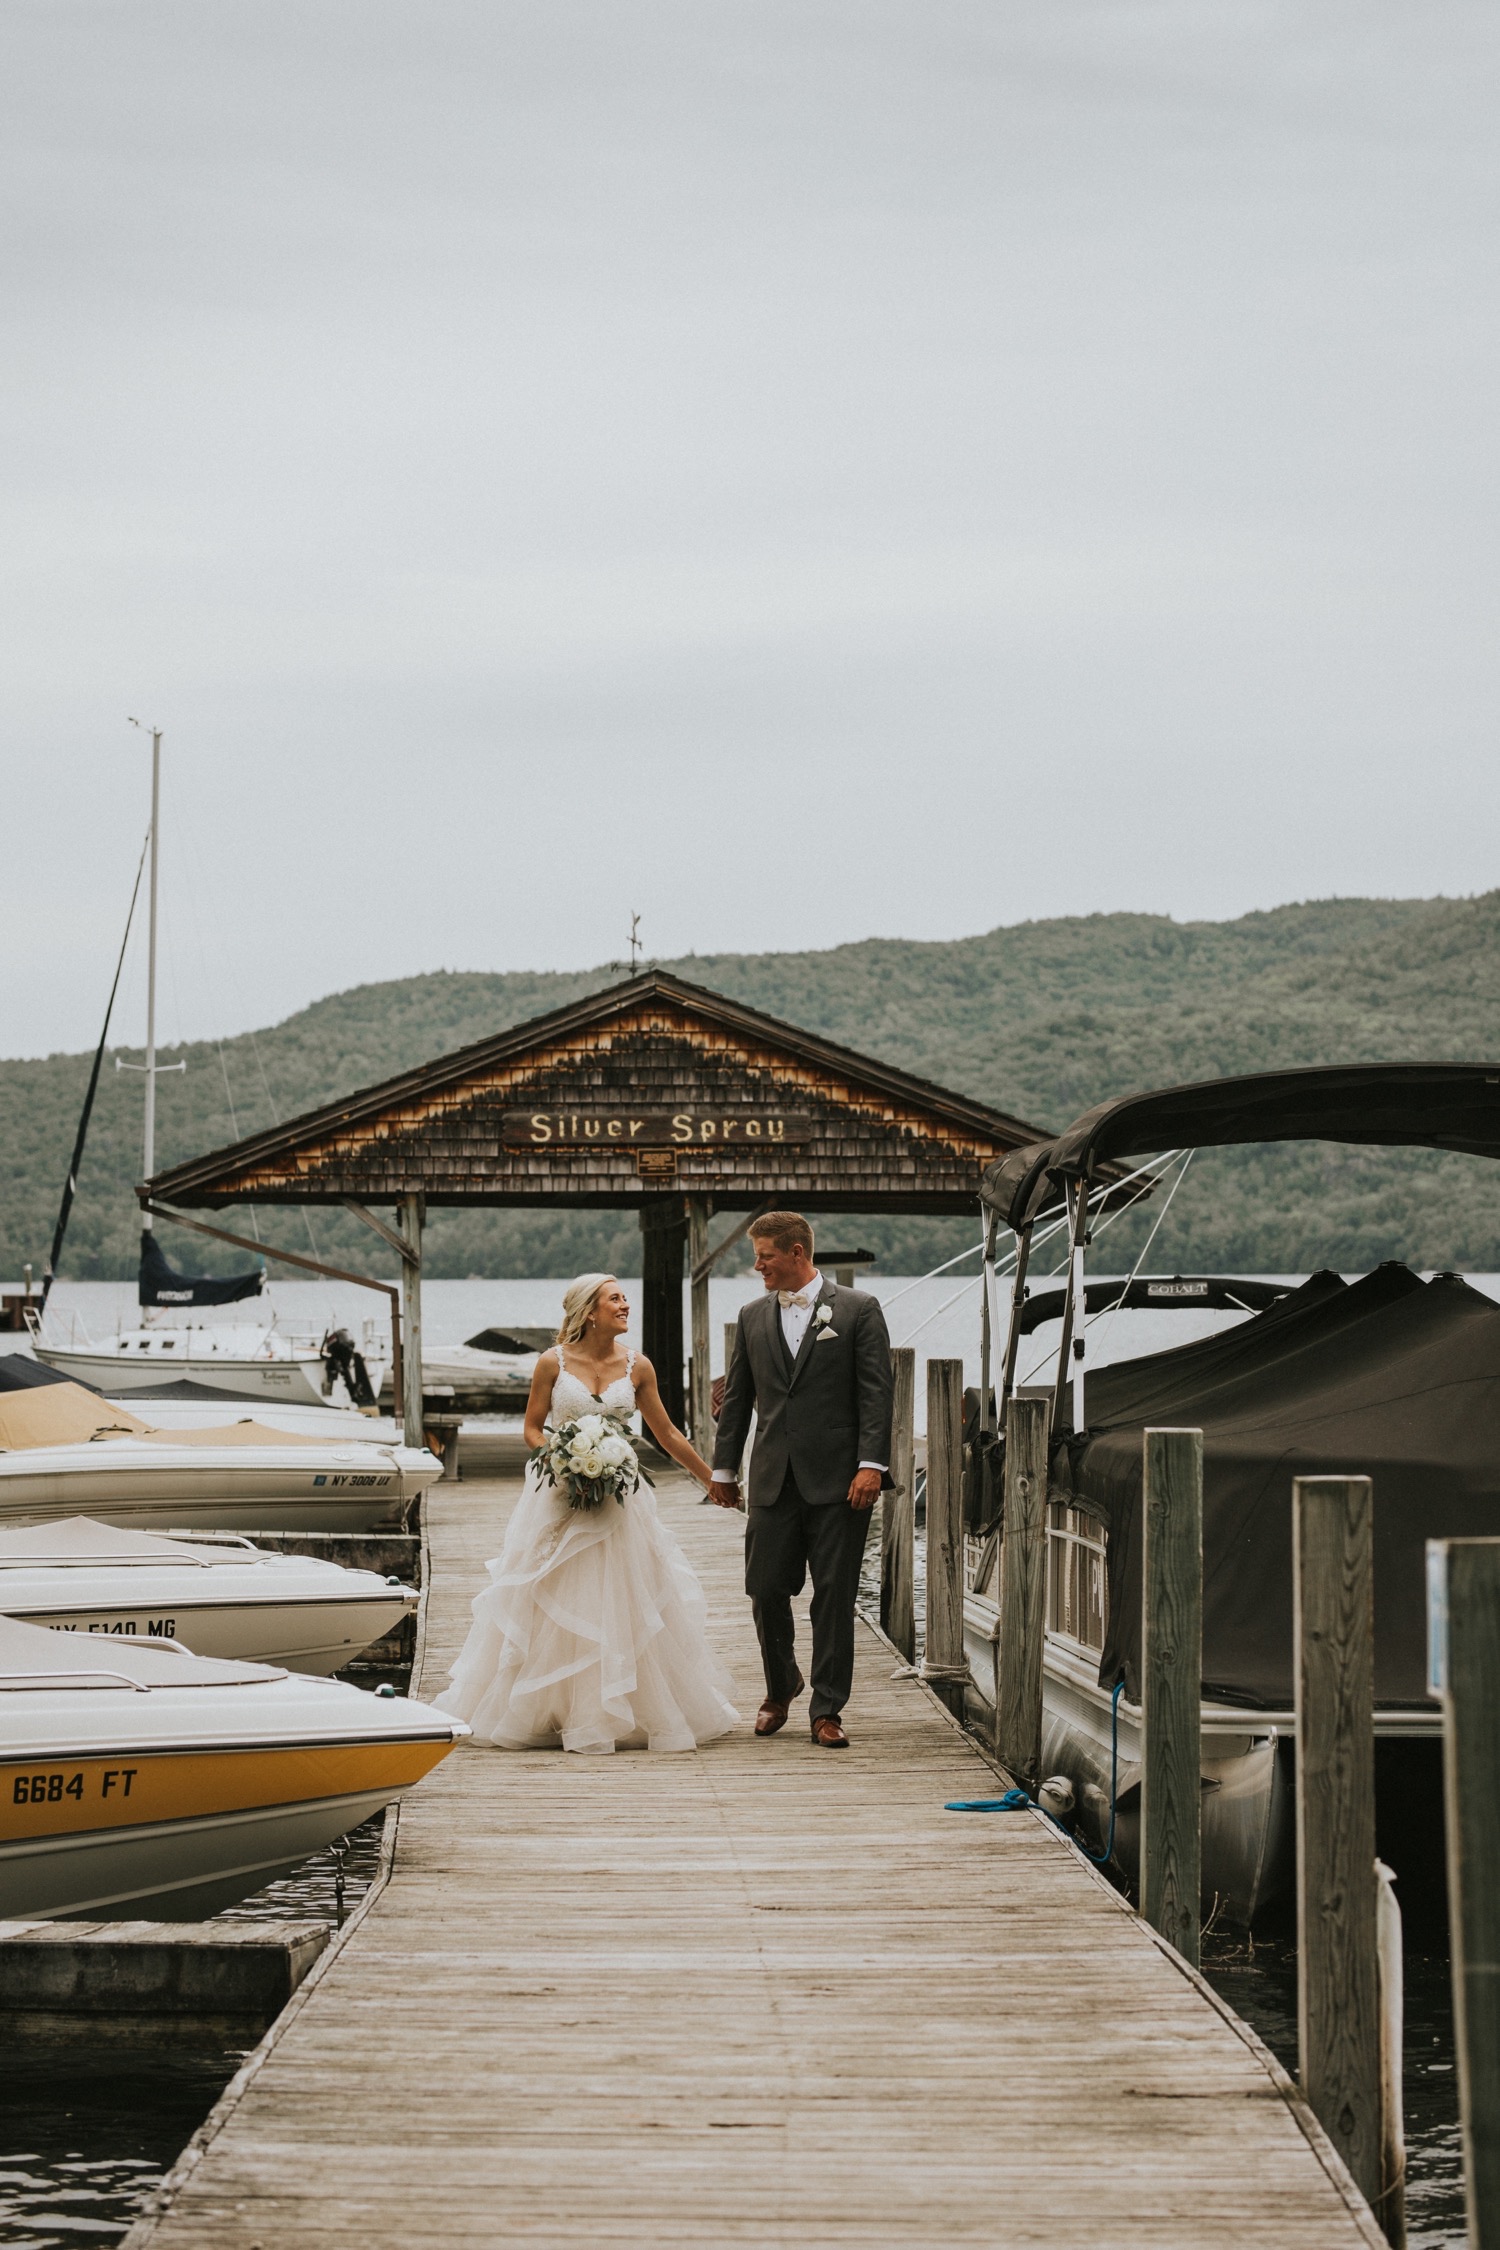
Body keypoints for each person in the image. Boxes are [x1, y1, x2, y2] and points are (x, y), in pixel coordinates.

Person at [435, 1274, 738, 1754]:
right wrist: (561, 1456)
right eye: (614, 1299)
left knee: (625, 1593)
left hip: (622, 1499)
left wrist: (713, 1478)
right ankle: (552, 1710)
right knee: (553, 1592)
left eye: (624, 1298)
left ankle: (619, 1711)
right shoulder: (550, 1364)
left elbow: (667, 1434)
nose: (625, 1305)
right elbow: (532, 1429)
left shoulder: (639, 1367)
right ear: (589, 1312)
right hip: (558, 1494)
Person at [711, 1212, 894, 1748]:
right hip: (771, 1478)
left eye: (765, 1254)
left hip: (841, 1481)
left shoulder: (859, 1310)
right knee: (765, 1588)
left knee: (833, 1596)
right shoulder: (751, 1316)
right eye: (757, 1255)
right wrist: (723, 1469)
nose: (758, 1264)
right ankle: (780, 1684)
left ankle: (826, 1707)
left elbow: (876, 1395)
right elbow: (739, 1400)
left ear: (797, 1252)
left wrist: (871, 1466)